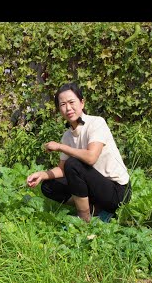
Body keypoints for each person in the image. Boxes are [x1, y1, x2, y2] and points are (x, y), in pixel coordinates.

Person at [26, 82, 131, 223]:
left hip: (117, 192)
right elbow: (62, 169)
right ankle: (97, 210)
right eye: (62, 104)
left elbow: (91, 158)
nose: (68, 108)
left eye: (71, 102)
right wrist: (42, 175)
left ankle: (84, 218)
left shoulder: (96, 123)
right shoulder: (67, 136)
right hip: (94, 187)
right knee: (48, 186)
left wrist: (60, 147)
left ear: (82, 103)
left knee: (73, 164)